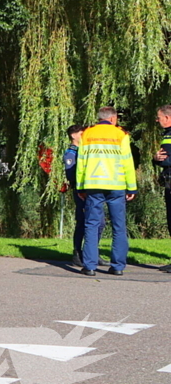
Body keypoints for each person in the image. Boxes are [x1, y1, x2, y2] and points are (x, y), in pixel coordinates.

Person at [76, 107, 136, 276]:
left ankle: (89, 266)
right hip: (116, 185)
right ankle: (117, 266)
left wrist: (80, 186)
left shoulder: (87, 134)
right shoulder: (120, 135)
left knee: (91, 224)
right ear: (112, 119)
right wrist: (131, 187)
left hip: (93, 184)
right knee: (118, 226)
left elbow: (81, 163)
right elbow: (127, 162)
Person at [64, 124, 105, 265]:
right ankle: (77, 253)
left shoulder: (85, 151)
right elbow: (71, 173)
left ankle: (93, 252)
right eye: (82, 134)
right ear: (74, 136)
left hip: (92, 189)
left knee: (99, 222)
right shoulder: (72, 152)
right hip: (81, 191)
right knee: (83, 221)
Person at [152, 105, 171, 236]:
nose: (157, 121)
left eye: (158, 118)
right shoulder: (167, 134)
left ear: (167, 117)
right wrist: (156, 158)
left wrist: (161, 161)